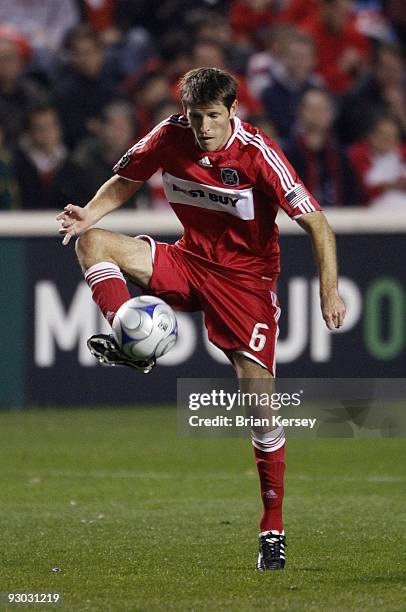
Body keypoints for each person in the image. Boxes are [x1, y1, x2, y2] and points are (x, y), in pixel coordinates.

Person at [56, 67, 346, 571]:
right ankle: (127, 332)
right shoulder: (170, 137)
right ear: (184, 114)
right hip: (190, 261)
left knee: (260, 408)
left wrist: (329, 293)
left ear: (233, 111)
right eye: (196, 117)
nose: (204, 127)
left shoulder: (258, 154)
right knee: (93, 242)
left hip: (245, 285)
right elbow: (126, 179)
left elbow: (317, 223)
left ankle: (271, 528)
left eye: (214, 116)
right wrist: (90, 214)